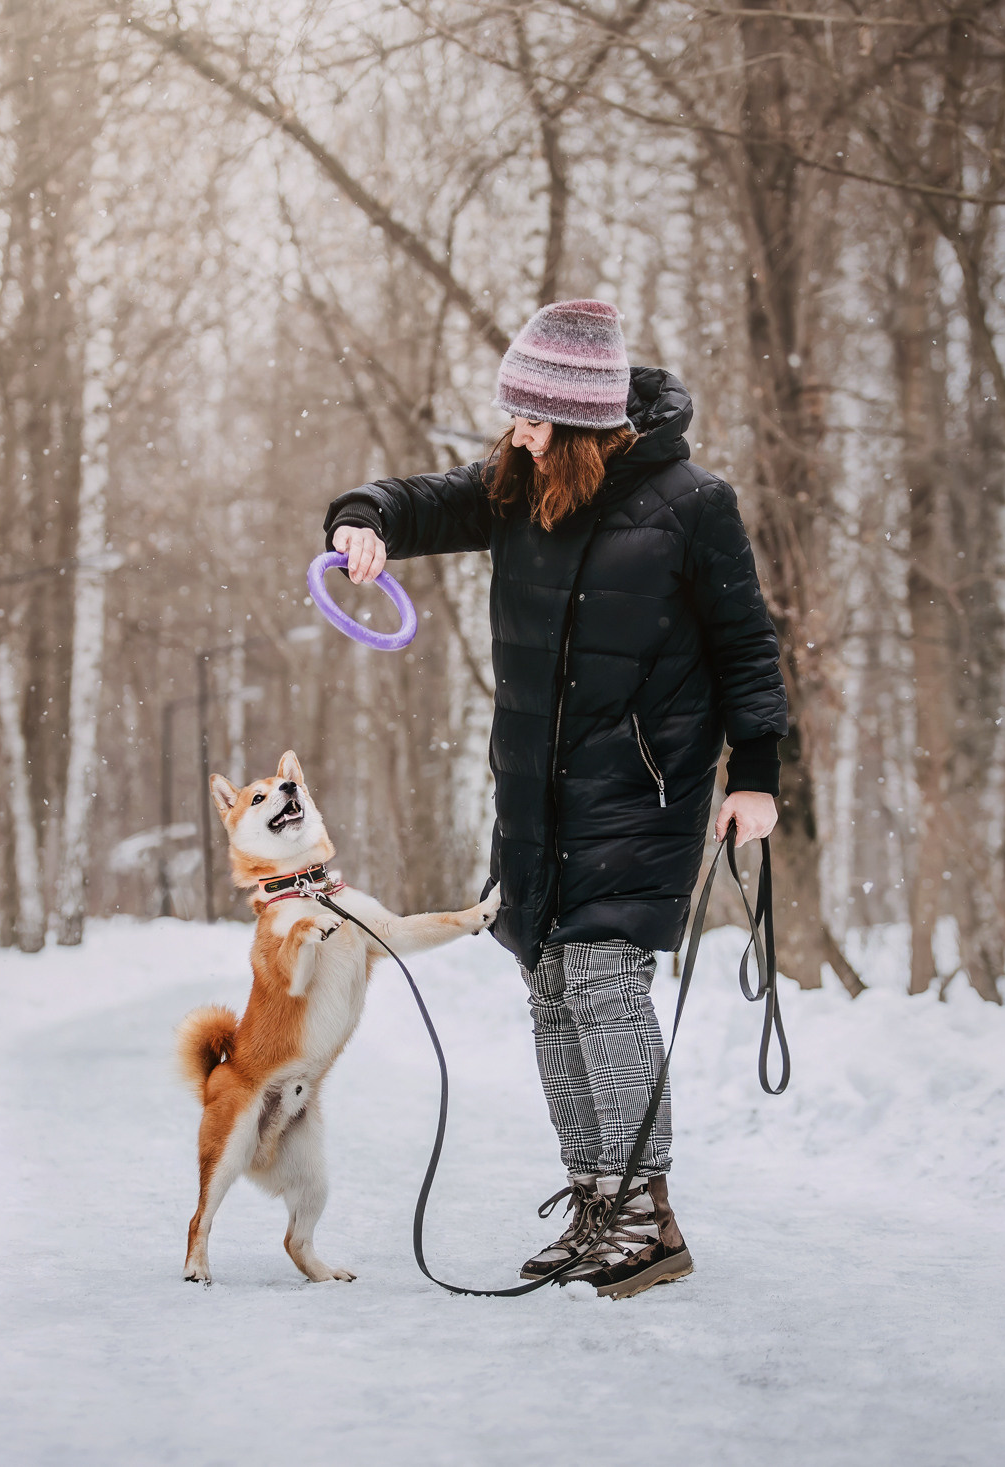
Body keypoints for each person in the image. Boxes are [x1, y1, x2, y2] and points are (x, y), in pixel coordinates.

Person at [322, 299, 786, 1299]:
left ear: (583, 424)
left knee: (602, 982)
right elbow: (415, 499)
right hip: (535, 794)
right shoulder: (514, 487)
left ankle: (642, 1217)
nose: (515, 435)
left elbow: (747, 646)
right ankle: (593, 1202)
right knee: (549, 985)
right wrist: (362, 522)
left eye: (533, 421)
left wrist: (756, 776)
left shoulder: (692, 505)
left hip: (642, 788)